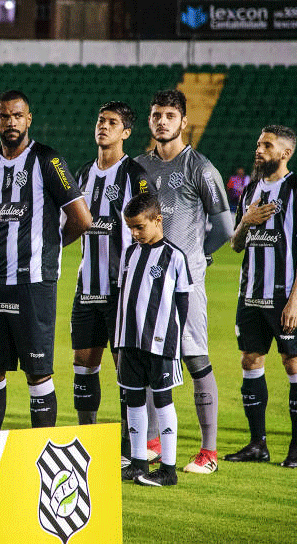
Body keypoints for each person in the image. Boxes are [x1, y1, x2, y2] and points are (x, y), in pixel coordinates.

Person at [0, 90, 92, 430]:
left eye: (17, 115)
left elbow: (82, 218)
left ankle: (43, 448)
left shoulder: (47, 160)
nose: (11, 122)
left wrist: (49, 248)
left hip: (34, 284)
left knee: (38, 371)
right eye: (4, 116)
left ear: (29, 119)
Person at [135, 89, 233, 474]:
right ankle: (154, 441)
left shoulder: (201, 169)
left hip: (185, 281)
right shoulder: (139, 167)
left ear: (183, 122)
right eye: (156, 115)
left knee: (195, 358)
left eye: (170, 115)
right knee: (150, 358)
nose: (162, 121)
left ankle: (208, 454)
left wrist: (198, 256)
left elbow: (225, 226)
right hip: (147, 281)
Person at [225, 126, 297, 468]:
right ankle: (257, 444)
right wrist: (247, 221)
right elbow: (235, 245)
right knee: (250, 361)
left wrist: (295, 299)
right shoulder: (249, 189)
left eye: (267, 145)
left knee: (293, 363)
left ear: (285, 153)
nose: (259, 149)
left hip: (283, 297)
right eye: (258, 143)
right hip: (250, 295)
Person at [71, 102, 154, 455]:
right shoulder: (82, 174)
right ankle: (87, 439)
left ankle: (128, 446)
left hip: (122, 288)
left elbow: (151, 228)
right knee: (84, 363)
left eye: (112, 123)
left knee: (126, 369)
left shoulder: (136, 175)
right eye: (100, 120)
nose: (103, 127)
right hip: (87, 286)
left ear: (126, 132)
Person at [117, 193, 192, 487]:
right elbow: (125, 297)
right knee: (133, 400)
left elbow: (183, 302)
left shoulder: (174, 256)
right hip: (130, 341)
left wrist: (171, 339)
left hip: (160, 343)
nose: (134, 234)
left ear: (157, 220)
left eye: (139, 227)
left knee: (162, 400)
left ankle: (168, 469)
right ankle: (138, 462)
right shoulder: (129, 253)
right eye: (130, 228)